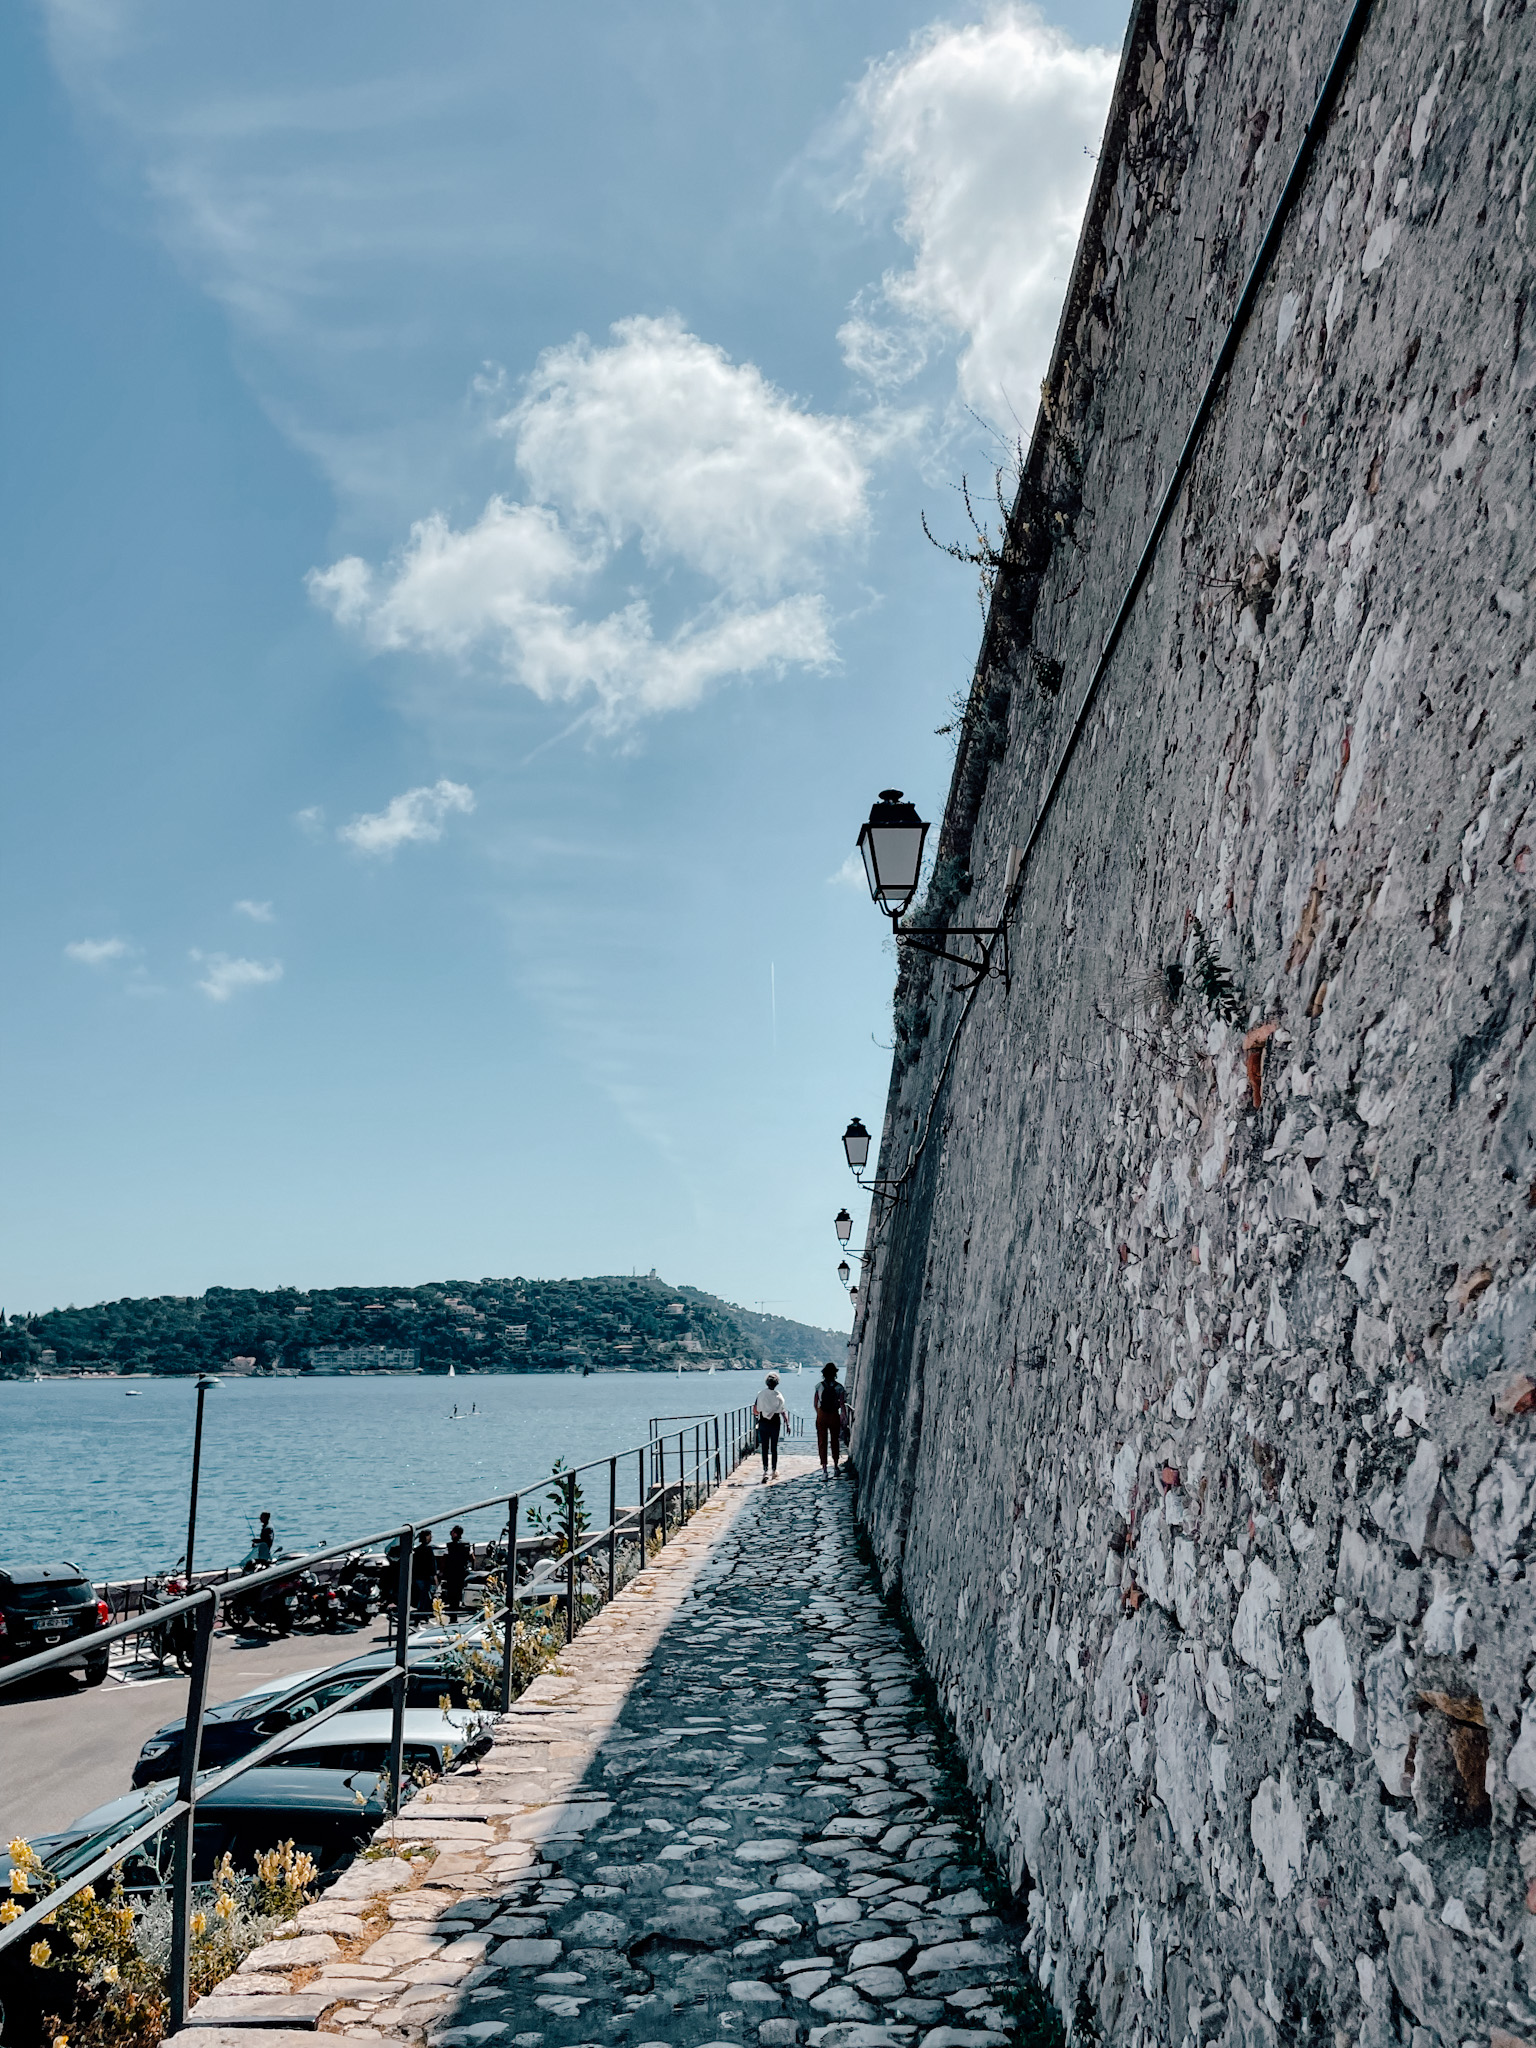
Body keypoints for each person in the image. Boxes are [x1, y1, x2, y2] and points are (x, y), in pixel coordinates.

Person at [814, 1363, 850, 1478]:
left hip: (822, 1415)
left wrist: (819, 1413)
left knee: (822, 1442)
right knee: (835, 1440)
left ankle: (824, 1469)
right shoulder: (839, 1387)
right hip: (834, 1415)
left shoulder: (819, 1386)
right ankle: (835, 1466)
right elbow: (842, 1404)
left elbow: (815, 1403)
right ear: (835, 1373)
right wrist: (843, 1415)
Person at [753, 1372, 789, 1482]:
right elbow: (782, 1410)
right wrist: (787, 1423)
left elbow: (755, 1409)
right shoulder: (779, 1395)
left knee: (764, 1446)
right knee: (774, 1447)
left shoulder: (761, 1394)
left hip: (763, 1421)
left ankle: (765, 1471)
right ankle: (774, 1470)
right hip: (775, 1421)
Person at [441, 1526, 473, 1612]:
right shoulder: (466, 1545)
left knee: (452, 1592)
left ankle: (453, 1611)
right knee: (459, 1590)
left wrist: (442, 1572)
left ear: (455, 1533)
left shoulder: (450, 1546)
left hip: (451, 1572)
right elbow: (472, 1558)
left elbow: (444, 1559)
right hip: (462, 1572)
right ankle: (457, 1606)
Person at [412, 1527, 437, 1611]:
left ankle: (422, 1611)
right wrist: (434, 1577)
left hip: (418, 1576)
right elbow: (432, 1565)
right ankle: (423, 1612)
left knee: (422, 1595)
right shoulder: (428, 1549)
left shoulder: (417, 1550)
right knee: (425, 1595)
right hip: (426, 1577)